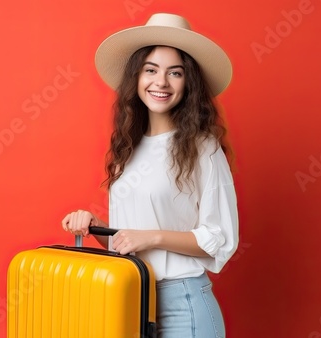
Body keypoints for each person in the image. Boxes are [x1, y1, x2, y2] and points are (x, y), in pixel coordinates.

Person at [62, 13, 239, 338]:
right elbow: (125, 243)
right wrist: (95, 225)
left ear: (189, 83)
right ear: (137, 77)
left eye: (175, 72)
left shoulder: (204, 148)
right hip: (129, 301)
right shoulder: (127, 149)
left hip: (183, 305)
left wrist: (153, 236)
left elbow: (220, 239)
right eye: (151, 70)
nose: (161, 82)